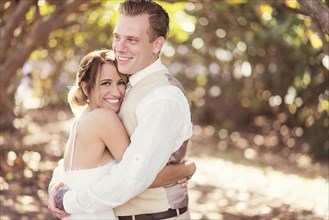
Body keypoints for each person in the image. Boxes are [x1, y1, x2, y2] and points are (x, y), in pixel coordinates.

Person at [50, 0, 194, 219]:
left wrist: (69, 201)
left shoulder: (163, 97)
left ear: (156, 45)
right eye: (117, 37)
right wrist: (57, 188)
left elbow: (133, 176)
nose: (119, 47)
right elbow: (80, 158)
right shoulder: (120, 88)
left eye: (132, 40)